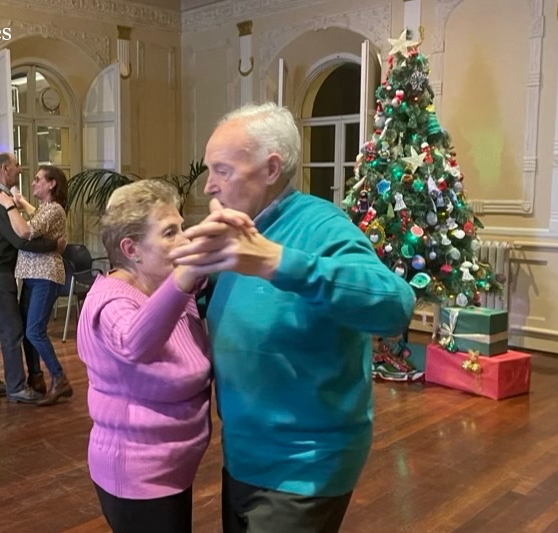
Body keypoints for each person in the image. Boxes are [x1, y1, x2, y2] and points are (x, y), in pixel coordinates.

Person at [170, 103, 416, 533]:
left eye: (223, 170)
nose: (209, 186)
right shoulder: (236, 229)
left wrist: (277, 262)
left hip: (306, 463)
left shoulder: (321, 224)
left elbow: (395, 308)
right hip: (244, 453)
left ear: (271, 169)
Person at [76, 180, 213, 533]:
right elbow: (135, 342)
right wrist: (185, 277)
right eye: (170, 232)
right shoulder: (110, 301)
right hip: (138, 476)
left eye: (182, 227)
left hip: (173, 470)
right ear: (131, 248)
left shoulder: (165, 286)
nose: (184, 239)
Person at [0, 152, 61, 403]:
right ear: (4, 169)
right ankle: (16, 387)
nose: (19, 169)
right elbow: (19, 239)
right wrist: (54, 246)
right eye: (15, 166)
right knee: (12, 331)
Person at [0, 165, 70, 406]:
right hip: (32, 276)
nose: (33, 182)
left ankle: (60, 378)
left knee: (34, 331)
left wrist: (9, 205)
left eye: (38, 180)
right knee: (27, 331)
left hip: (45, 277)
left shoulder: (55, 209)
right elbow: (37, 214)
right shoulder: (46, 208)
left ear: (52, 184)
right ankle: (37, 379)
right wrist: (23, 203)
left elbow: (26, 230)